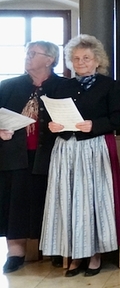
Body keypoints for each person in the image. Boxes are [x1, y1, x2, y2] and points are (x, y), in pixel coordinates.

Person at [40, 35, 120, 277]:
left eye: (86, 58)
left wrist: (95, 125)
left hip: (94, 147)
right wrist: (52, 125)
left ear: (97, 60)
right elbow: (49, 115)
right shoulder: (60, 86)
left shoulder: (110, 86)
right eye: (76, 58)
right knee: (67, 200)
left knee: (91, 201)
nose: (81, 62)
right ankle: (74, 254)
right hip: (65, 149)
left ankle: (94, 255)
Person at [0, 42, 61, 273]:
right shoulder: (9, 86)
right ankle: (15, 252)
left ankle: (56, 250)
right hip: (15, 154)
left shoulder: (63, 86)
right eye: (27, 52)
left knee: (50, 200)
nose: (28, 56)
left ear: (49, 59)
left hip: (51, 153)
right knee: (14, 203)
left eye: (33, 53)